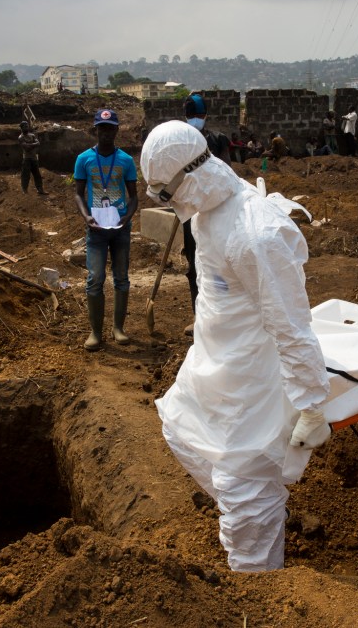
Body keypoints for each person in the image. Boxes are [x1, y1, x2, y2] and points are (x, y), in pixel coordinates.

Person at [140, 120, 331, 572]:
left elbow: (292, 325)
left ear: (191, 176)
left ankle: (260, 594)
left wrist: (311, 405)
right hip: (216, 365)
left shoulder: (255, 235)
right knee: (181, 429)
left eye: (165, 194)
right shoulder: (210, 213)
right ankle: (250, 522)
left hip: (252, 385)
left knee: (247, 497)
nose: (166, 204)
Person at [73, 108, 138, 351]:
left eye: (110, 128)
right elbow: (78, 194)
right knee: (95, 278)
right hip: (96, 230)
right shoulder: (84, 159)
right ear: (96, 130)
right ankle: (96, 332)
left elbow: (134, 197)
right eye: (102, 128)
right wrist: (86, 216)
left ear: (117, 130)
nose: (106, 133)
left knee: (121, 278)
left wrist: (127, 217)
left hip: (120, 228)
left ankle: (118, 328)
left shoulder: (126, 161)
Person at [179, 94, 232, 336]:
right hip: (191, 214)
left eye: (199, 116)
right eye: (191, 116)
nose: (195, 120)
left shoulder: (218, 140)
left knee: (219, 263)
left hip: (218, 213)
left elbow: (229, 174)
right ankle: (199, 316)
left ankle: (223, 315)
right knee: (194, 264)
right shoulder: (180, 143)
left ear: (205, 116)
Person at [18, 121, 47, 195]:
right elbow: (27, 148)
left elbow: (38, 143)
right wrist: (33, 144)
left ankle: (40, 189)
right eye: (25, 126)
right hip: (27, 159)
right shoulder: (21, 137)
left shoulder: (32, 135)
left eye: (27, 126)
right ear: (21, 128)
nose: (27, 127)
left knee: (37, 175)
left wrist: (29, 144)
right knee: (25, 175)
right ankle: (24, 190)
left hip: (34, 158)